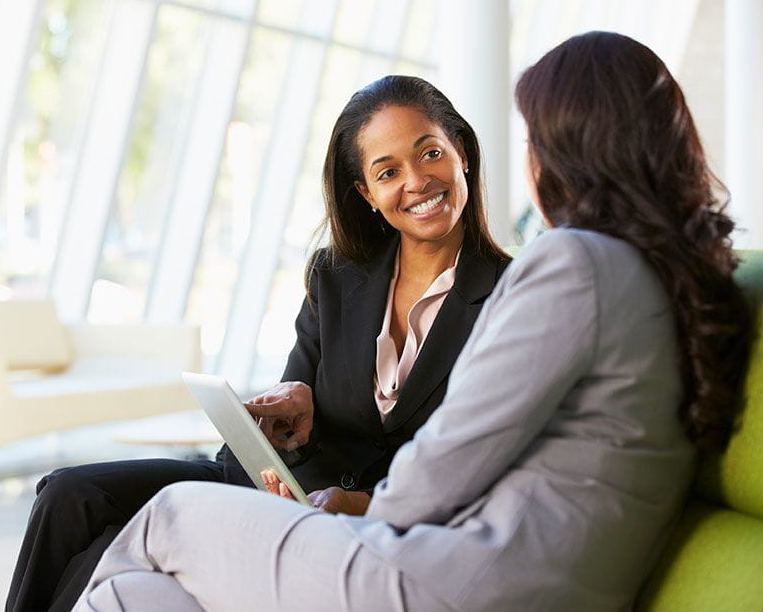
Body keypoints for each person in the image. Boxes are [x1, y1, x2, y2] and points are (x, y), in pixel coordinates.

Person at [71, 31, 753, 611]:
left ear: (572, 148)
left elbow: (454, 450)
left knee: (167, 517)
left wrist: (357, 521)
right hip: (536, 582)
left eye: (535, 137)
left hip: (457, 582)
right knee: (143, 596)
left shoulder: (575, 264)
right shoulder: (681, 277)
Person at [5, 75, 510, 611]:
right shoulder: (336, 277)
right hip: (277, 488)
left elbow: (480, 466)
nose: (416, 181)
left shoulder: (514, 298)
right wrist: (292, 408)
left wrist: (361, 505)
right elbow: (296, 408)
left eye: (430, 152)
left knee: (110, 556)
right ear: (366, 193)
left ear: (461, 152)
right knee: (69, 496)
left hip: (372, 530)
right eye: (388, 171)